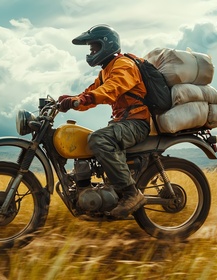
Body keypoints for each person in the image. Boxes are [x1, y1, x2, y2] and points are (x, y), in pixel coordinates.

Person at [58, 24, 150, 218]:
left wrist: (83, 99)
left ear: (107, 45)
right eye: (90, 48)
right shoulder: (106, 71)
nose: (91, 51)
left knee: (98, 139)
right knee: (84, 140)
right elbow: (91, 94)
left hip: (136, 123)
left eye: (94, 47)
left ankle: (131, 194)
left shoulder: (124, 64)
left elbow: (112, 89)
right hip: (122, 123)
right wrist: (70, 99)